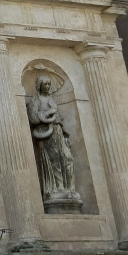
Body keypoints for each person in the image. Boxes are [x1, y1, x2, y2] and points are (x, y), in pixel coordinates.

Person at [26, 75, 78, 204]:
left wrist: (64, 134)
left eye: (49, 84)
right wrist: (47, 114)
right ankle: (58, 188)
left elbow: (57, 116)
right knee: (54, 159)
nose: (48, 86)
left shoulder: (51, 99)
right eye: (45, 84)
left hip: (58, 131)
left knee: (67, 158)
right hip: (45, 132)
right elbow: (33, 118)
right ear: (40, 86)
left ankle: (70, 188)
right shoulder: (35, 101)